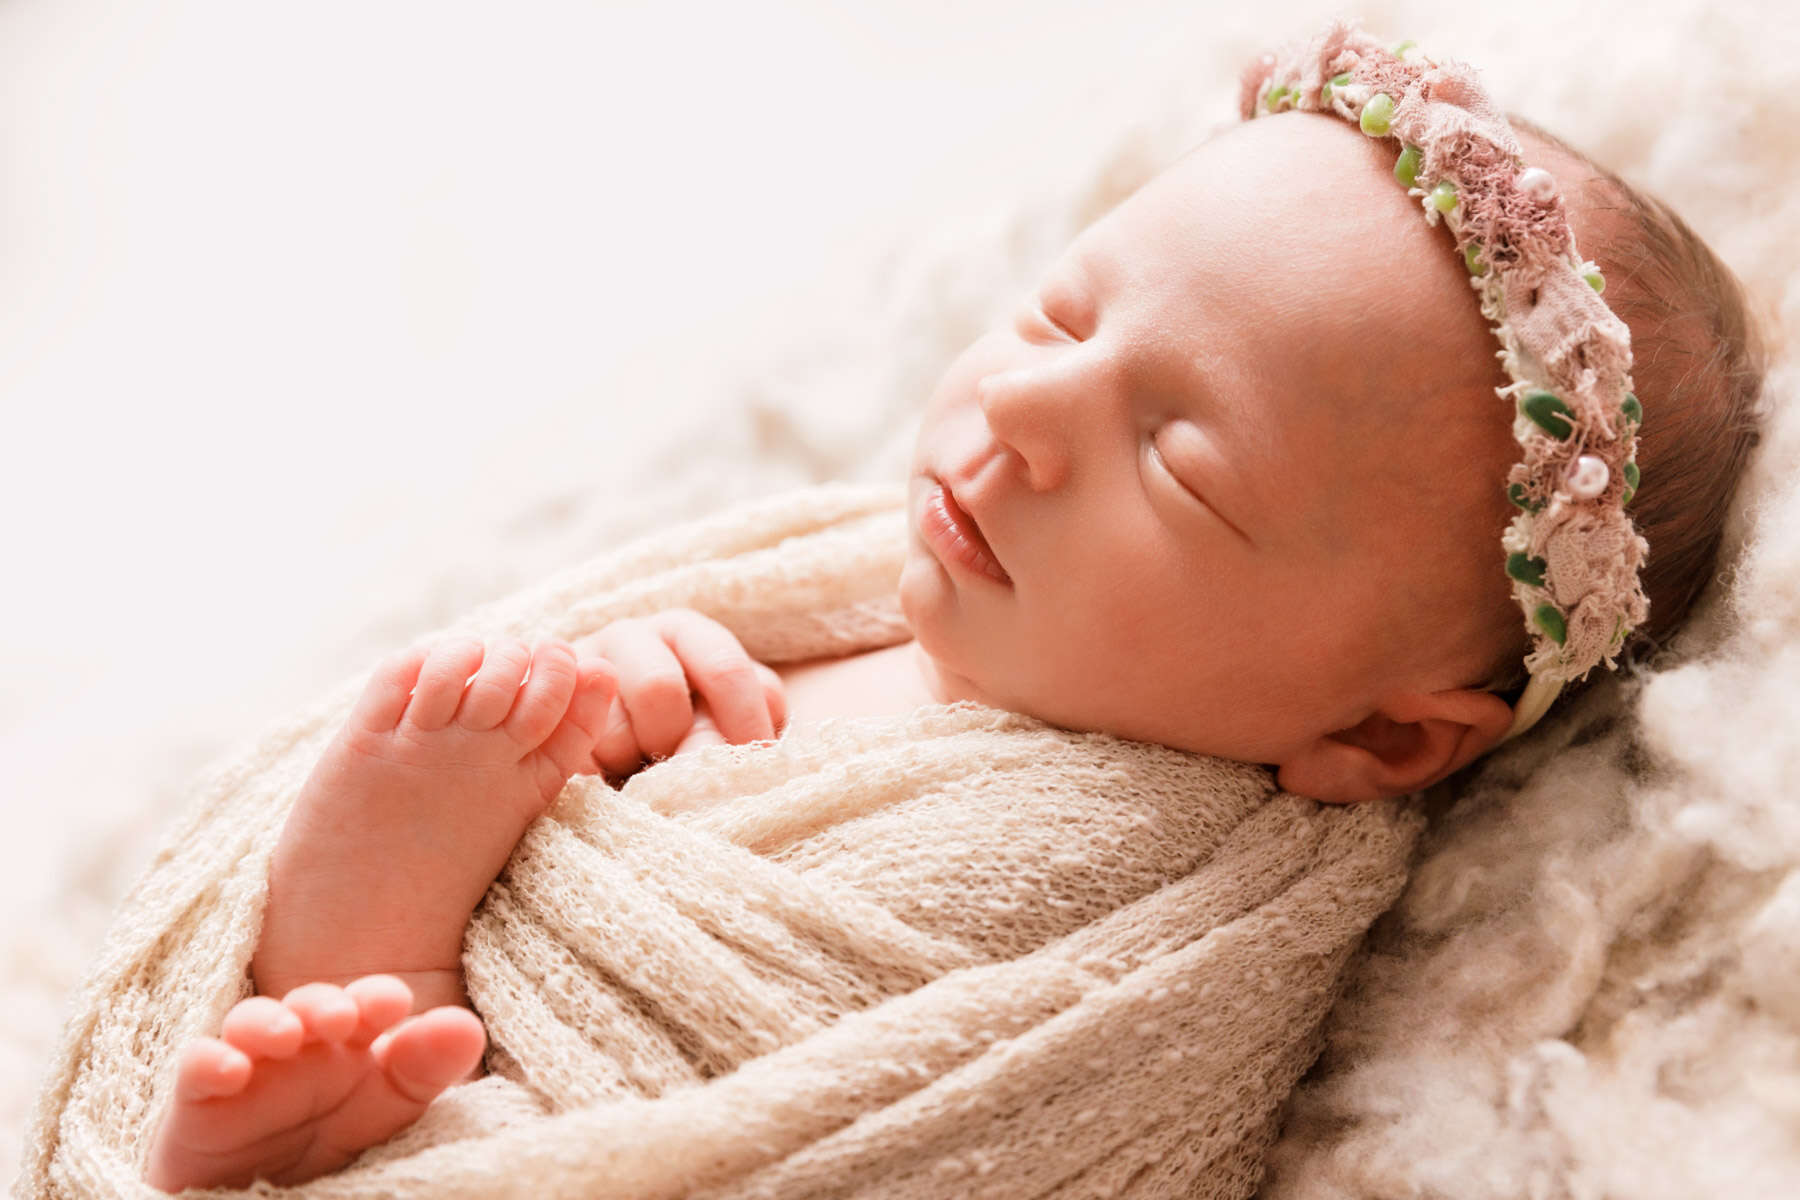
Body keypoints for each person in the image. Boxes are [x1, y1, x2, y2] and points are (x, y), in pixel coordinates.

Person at [142, 27, 1765, 1192]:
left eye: (1183, 464)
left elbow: (853, 1138)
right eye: (1061, 311)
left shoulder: (1143, 908)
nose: (1033, 411)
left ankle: (348, 1036)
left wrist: (410, 893)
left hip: (508, 1103)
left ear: (1385, 731)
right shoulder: (856, 576)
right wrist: (591, 754)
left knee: (382, 994)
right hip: (379, 1063)